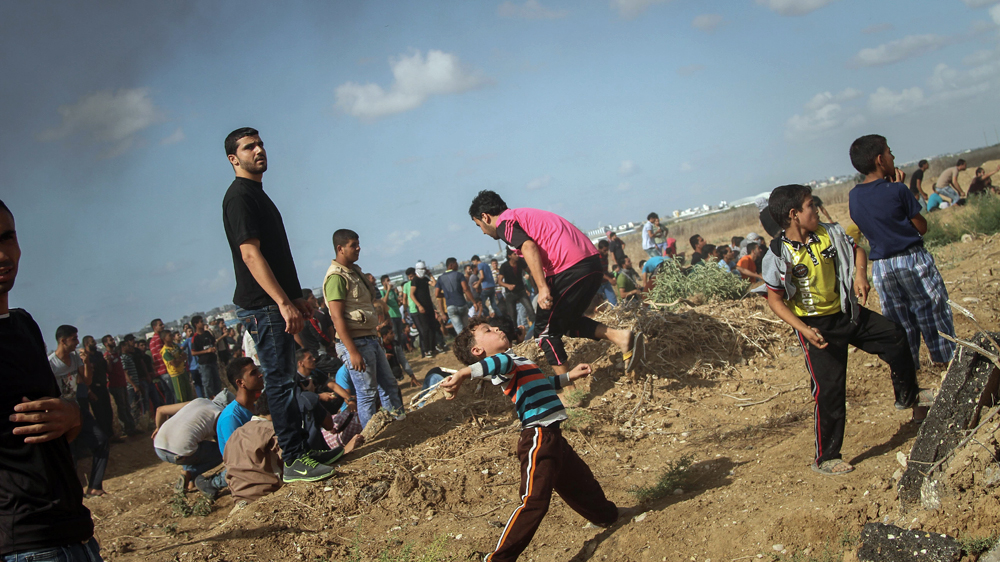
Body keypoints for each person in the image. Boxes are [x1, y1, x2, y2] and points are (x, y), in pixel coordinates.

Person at [759, 184, 934, 475]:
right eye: (810, 205)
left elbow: (858, 251)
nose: (816, 209)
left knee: (894, 335)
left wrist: (860, 277)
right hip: (817, 328)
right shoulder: (778, 255)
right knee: (829, 391)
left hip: (847, 314)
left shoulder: (830, 233)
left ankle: (908, 396)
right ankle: (827, 458)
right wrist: (804, 330)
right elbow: (775, 301)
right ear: (794, 215)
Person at [441, 319, 623, 561]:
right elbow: (499, 361)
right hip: (538, 437)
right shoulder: (503, 364)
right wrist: (464, 373)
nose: (497, 329)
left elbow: (543, 384)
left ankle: (606, 517)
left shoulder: (517, 361)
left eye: (494, 327)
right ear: (477, 351)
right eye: (488, 330)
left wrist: (569, 377)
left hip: (553, 435)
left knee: (580, 481)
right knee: (534, 502)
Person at [222, 127, 336, 483]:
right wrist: (282, 301)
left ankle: (306, 447)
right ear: (233, 158)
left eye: (260, 144)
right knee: (280, 382)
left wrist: (296, 296)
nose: (258, 150)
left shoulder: (257, 193)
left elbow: (275, 254)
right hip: (263, 305)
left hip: (276, 302)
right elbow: (250, 254)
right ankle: (294, 458)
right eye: (248, 147)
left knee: (286, 378)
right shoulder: (240, 196)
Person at [0, 199, 105, 562]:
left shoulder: (24, 325)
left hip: (76, 534)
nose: (2, 254)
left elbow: (62, 427)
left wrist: (72, 414)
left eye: (7, 237)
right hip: (25, 545)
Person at [468, 190, 643, 376]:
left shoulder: (505, 223)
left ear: (485, 217)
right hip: (591, 264)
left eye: (479, 225)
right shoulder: (522, 215)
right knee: (566, 323)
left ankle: (568, 389)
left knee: (544, 333)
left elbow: (528, 246)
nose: (483, 232)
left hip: (568, 268)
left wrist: (543, 288)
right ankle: (621, 337)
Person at [848, 134, 956, 369]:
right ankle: (946, 365)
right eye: (889, 152)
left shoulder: (854, 196)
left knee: (900, 323)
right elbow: (921, 227)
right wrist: (898, 187)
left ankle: (910, 380)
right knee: (934, 312)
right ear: (880, 160)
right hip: (912, 259)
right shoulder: (898, 190)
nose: (893, 156)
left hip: (883, 268)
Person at [324, 229, 406, 429]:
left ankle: (398, 425)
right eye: (353, 245)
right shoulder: (336, 277)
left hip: (369, 339)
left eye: (358, 244)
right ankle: (373, 437)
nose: (358, 248)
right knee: (367, 393)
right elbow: (336, 316)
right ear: (340, 248)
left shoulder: (354, 272)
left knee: (388, 385)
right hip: (356, 343)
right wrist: (352, 351)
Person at [49, 325, 111, 500]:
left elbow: (87, 380)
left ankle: (94, 487)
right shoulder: (51, 364)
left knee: (101, 440)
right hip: (60, 414)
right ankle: (70, 494)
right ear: (63, 341)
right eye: (74, 339)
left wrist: (85, 363)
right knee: (70, 455)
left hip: (76, 409)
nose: (77, 342)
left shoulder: (76, 358)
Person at [223, 392, 284, 504]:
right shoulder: (273, 432)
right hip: (267, 499)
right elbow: (293, 464)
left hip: (239, 502)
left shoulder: (236, 434)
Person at [380, 275, 416, 378]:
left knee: (398, 336)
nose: (389, 282)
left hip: (397, 315)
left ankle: (401, 354)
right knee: (393, 337)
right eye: (387, 281)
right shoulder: (383, 292)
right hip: (391, 316)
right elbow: (384, 302)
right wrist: (387, 291)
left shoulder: (392, 292)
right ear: (383, 283)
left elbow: (397, 302)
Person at [102, 335, 139, 436]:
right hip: (115, 385)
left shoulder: (116, 354)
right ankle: (125, 429)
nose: (113, 341)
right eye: (111, 340)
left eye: (113, 340)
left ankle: (132, 427)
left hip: (122, 384)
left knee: (127, 406)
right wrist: (108, 361)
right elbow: (108, 370)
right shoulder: (107, 356)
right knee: (122, 407)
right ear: (105, 344)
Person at [407, 266, 445, 358]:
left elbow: (434, 284)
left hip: (429, 307)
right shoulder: (415, 280)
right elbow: (411, 295)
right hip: (421, 308)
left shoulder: (424, 279)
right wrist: (419, 305)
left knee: (432, 327)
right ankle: (427, 350)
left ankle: (433, 348)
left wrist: (430, 275)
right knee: (425, 329)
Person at [497, 250, 538, 326]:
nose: (517, 256)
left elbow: (530, 272)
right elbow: (499, 281)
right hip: (510, 293)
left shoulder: (520, 262)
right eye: (514, 254)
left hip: (521, 291)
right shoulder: (504, 266)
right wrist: (508, 286)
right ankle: (515, 333)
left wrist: (534, 286)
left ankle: (536, 329)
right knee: (513, 315)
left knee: (530, 311)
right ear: (509, 256)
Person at [436, 257, 476, 333]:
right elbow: (465, 289)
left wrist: (445, 295)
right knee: (466, 327)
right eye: (456, 263)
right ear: (451, 265)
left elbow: (436, 294)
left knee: (459, 329)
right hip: (462, 305)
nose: (457, 265)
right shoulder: (459, 275)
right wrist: (474, 302)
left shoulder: (440, 278)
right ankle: (470, 343)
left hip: (451, 307)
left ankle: (463, 343)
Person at [190, 315, 223, 399]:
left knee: (217, 381)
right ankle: (210, 400)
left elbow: (213, 342)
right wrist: (206, 351)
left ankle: (219, 399)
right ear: (196, 324)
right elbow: (193, 352)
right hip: (204, 363)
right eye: (200, 322)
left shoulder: (207, 333)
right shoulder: (195, 338)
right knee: (207, 383)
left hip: (213, 360)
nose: (202, 323)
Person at [161, 330, 195, 403]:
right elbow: (174, 363)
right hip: (176, 375)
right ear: (164, 338)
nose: (172, 337)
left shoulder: (174, 346)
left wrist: (179, 359)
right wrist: (180, 359)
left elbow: (184, 355)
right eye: (169, 336)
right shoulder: (165, 351)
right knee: (181, 396)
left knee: (189, 394)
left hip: (182, 371)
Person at [595, 240, 619, 306]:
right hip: (598, 284)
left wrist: (612, 276)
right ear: (599, 249)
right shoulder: (596, 258)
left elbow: (605, 271)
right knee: (600, 303)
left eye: (607, 250)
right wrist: (609, 279)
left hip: (606, 282)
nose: (606, 252)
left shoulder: (605, 257)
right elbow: (598, 272)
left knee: (613, 301)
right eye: (604, 250)